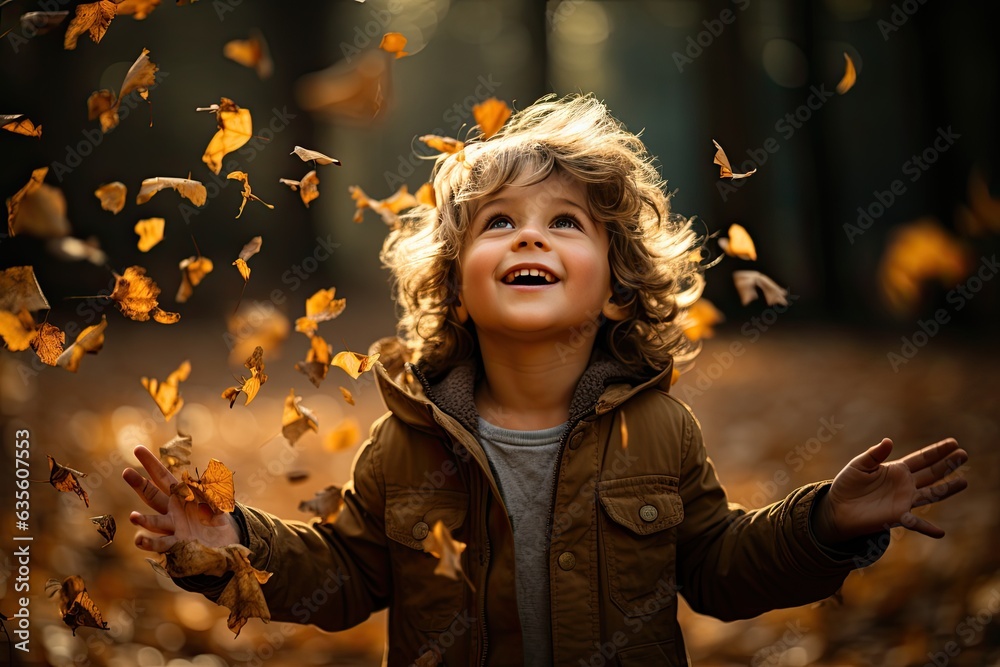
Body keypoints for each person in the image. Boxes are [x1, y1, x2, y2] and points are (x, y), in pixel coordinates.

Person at [123, 94, 968, 666]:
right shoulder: (406, 440)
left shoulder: (660, 430)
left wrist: (824, 524)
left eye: (565, 223)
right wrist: (232, 545)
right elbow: (344, 573)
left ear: (616, 283)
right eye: (500, 224)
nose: (530, 238)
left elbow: (719, 566)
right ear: (456, 280)